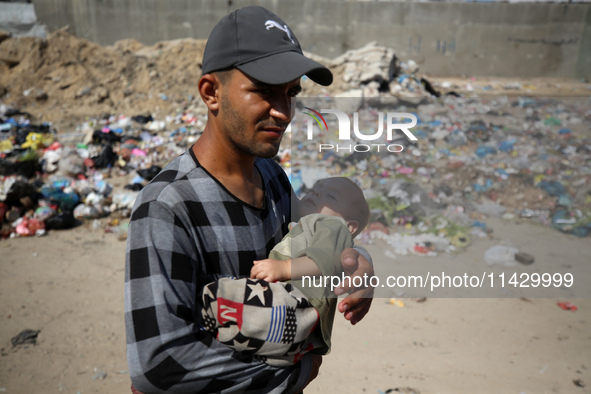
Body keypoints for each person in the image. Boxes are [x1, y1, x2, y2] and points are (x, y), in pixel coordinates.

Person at [125, 6, 374, 394]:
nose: (283, 111)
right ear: (211, 92)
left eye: (291, 92)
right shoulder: (168, 205)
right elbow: (160, 363)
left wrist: (361, 263)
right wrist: (299, 374)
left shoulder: (272, 177)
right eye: (264, 90)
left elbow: (318, 237)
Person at [200, 177, 370, 366]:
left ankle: (210, 315)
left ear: (350, 226)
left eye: (330, 196)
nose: (316, 193)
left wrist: (284, 268)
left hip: (298, 302)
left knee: (223, 295)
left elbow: (325, 261)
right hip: (291, 313)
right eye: (315, 188)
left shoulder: (332, 225)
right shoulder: (303, 224)